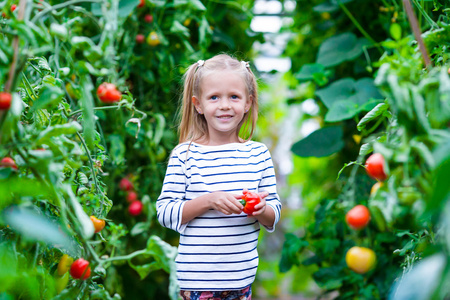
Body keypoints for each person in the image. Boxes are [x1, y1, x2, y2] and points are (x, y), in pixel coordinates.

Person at [156, 54, 282, 300]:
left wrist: (261, 207)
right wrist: (209, 200)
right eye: (214, 97)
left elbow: (273, 215)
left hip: (240, 282)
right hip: (196, 283)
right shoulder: (185, 155)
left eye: (234, 97)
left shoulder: (257, 154)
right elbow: (164, 213)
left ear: (248, 103)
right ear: (198, 104)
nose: (225, 105)